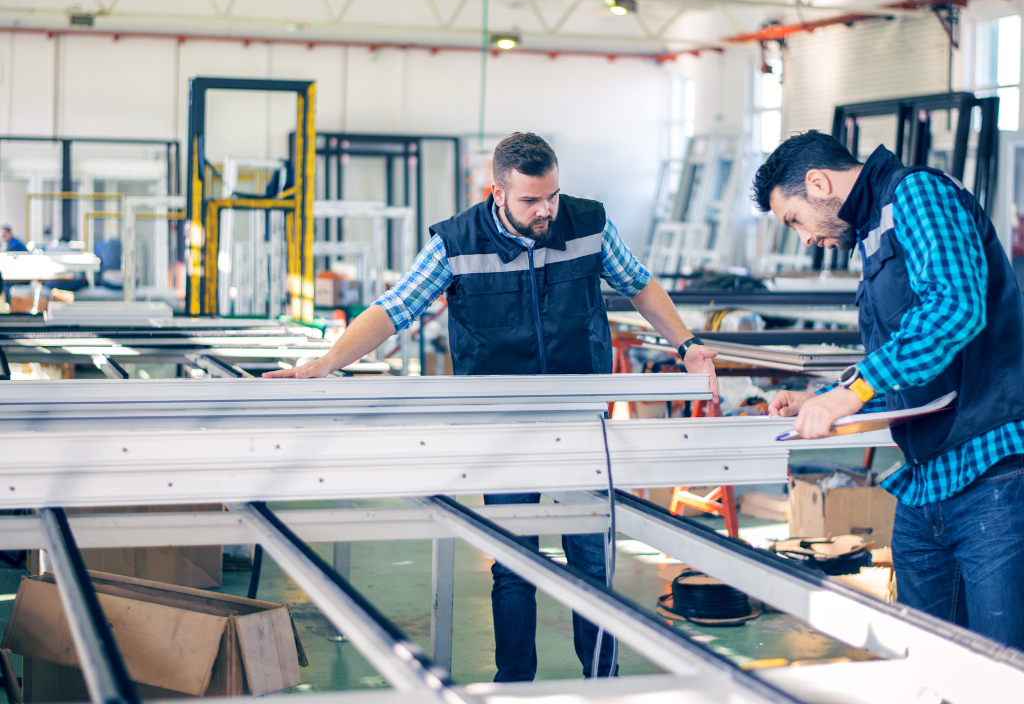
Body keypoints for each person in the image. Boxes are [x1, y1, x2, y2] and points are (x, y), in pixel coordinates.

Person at [267, 131, 719, 679]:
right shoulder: (456, 243)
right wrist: (325, 364)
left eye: (552, 195)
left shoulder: (589, 224)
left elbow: (640, 285)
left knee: (592, 561)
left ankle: (603, 683)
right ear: (497, 192)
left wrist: (688, 345)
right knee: (513, 565)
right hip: (503, 426)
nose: (546, 210)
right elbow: (395, 308)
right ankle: (514, 687)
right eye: (531, 200)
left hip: (580, 420)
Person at [752, 129, 1024, 651]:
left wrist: (852, 390)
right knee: (923, 660)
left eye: (794, 219)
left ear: (818, 182)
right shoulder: (874, 231)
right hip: (927, 484)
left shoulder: (917, 195)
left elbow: (955, 309)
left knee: (1001, 668)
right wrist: (827, 398)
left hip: (990, 475)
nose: (804, 238)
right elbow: (910, 360)